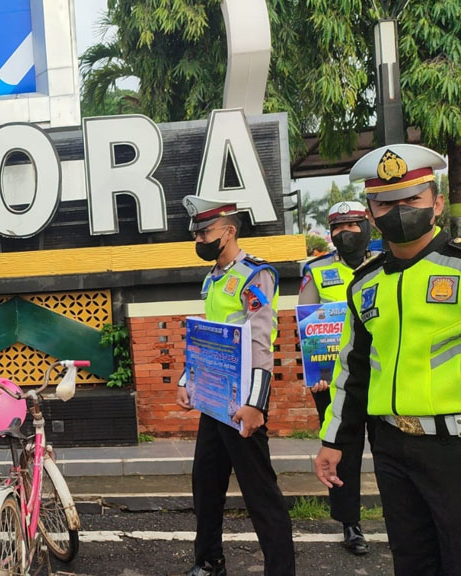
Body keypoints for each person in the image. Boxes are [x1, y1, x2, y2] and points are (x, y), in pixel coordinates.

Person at [315, 144, 461, 575]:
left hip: (453, 445)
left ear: (436, 203)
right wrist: (334, 441)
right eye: (385, 203)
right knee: (411, 560)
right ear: (371, 213)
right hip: (392, 447)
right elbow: (352, 370)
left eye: (412, 199)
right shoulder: (365, 283)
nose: (399, 211)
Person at [176, 196, 295, 576]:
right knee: (205, 485)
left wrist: (256, 404)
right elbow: (207, 339)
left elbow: (261, 343)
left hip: (243, 398)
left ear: (228, 232)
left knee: (260, 493)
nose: (199, 239)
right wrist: (187, 380)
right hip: (214, 398)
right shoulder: (213, 277)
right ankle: (209, 561)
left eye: (205, 232)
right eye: (196, 234)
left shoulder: (255, 275)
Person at [298, 201, 374, 556]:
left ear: (367, 226)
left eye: (352, 225)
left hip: (381, 375)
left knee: (392, 450)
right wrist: (317, 373)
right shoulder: (316, 270)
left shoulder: (385, 264)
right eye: (338, 227)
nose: (345, 233)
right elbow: (307, 323)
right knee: (341, 450)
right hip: (334, 380)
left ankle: (406, 518)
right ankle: (350, 523)